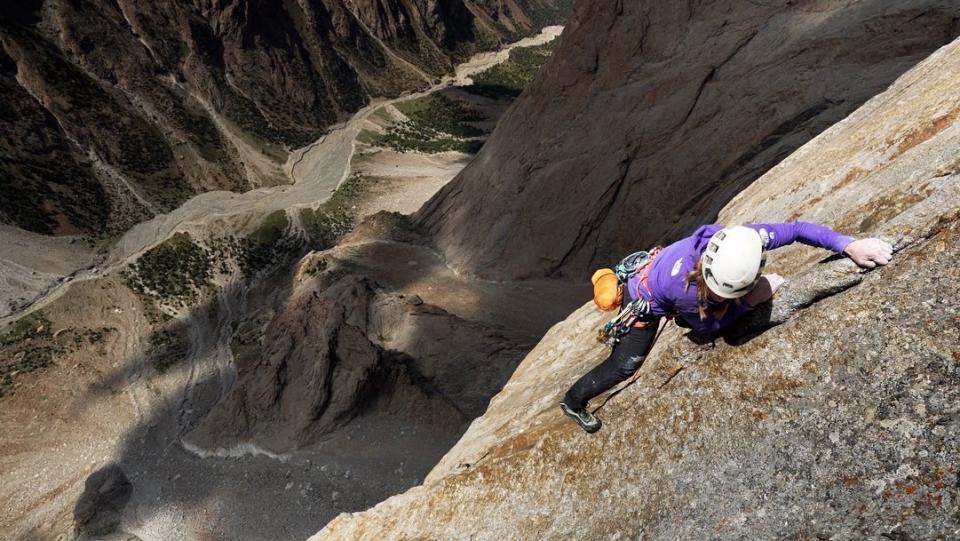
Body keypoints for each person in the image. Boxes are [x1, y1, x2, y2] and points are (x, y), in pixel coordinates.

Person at [560, 222, 893, 433]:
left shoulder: (743, 239)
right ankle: (573, 402)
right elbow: (708, 329)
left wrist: (848, 244)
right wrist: (751, 301)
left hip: (657, 271)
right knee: (623, 367)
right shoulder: (687, 292)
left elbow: (796, 230)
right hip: (644, 293)